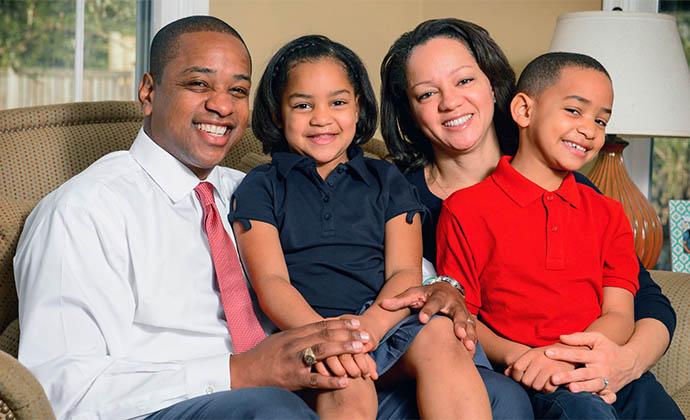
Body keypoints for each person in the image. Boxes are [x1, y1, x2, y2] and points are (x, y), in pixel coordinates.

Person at [13, 16, 477, 420]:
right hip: (182, 400)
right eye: (199, 84)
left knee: (495, 396)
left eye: (237, 90)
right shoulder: (84, 211)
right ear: (149, 91)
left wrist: (443, 289)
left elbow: (385, 263)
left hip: (310, 368)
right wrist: (241, 371)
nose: (221, 104)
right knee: (274, 411)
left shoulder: (243, 187)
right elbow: (57, 389)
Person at [380, 17, 681, 419]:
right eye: (427, 93)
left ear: (494, 85)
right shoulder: (398, 202)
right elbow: (451, 316)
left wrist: (620, 362)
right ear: (409, 111)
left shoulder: (590, 200)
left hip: (596, 368)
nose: (450, 101)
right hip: (509, 378)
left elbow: (641, 300)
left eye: (465, 81)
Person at [231, 34, 491, 419]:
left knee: (441, 335)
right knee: (346, 383)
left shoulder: (386, 179)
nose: (322, 118)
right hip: (309, 330)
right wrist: (332, 340)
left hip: (383, 321)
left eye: (337, 102)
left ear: (358, 108)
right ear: (276, 114)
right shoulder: (261, 185)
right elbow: (272, 284)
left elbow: (405, 271)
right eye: (303, 105)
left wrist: (369, 328)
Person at [436, 51, 642, 418]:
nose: (590, 129)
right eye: (575, 111)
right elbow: (461, 318)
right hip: (527, 377)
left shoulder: (608, 213)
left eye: (601, 119)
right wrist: (532, 359)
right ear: (524, 111)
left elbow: (619, 314)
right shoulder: (465, 210)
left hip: (598, 365)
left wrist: (568, 359)